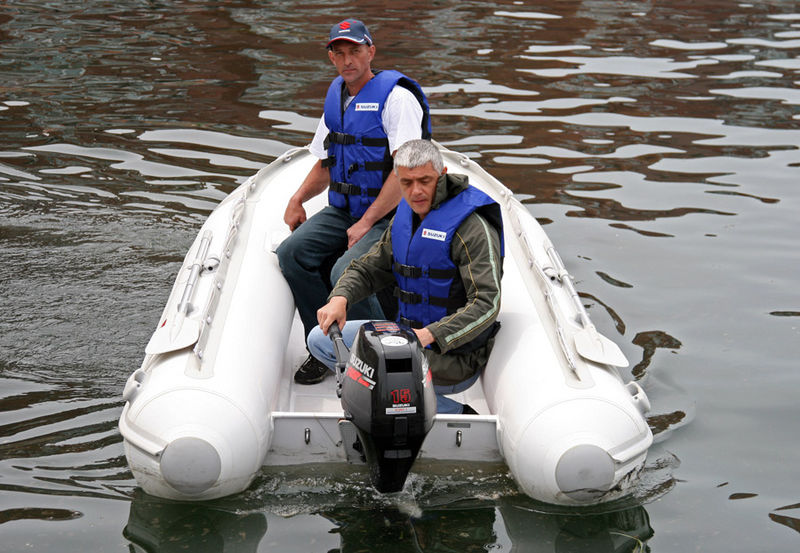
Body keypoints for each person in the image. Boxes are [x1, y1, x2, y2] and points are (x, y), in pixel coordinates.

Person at [277, 19, 432, 385]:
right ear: (332, 57)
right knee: (292, 254)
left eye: (355, 51)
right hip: (345, 208)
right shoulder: (337, 99)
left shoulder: (397, 98)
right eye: (340, 53)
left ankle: (383, 353)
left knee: (345, 270)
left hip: (394, 214)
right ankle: (324, 348)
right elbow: (326, 161)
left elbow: (405, 172)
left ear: (370, 52)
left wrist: (367, 222)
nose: (348, 60)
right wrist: (297, 199)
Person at [307, 139, 503, 414]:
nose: (416, 191)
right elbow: (369, 267)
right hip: (407, 335)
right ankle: (395, 402)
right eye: (407, 183)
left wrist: (430, 335)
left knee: (379, 370)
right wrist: (341, 297)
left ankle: (453, 412)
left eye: (425, 181)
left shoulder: (472, 227)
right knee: (319, 339)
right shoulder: (406, 215)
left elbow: (487, 303)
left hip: (453, 354)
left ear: (442, 174)